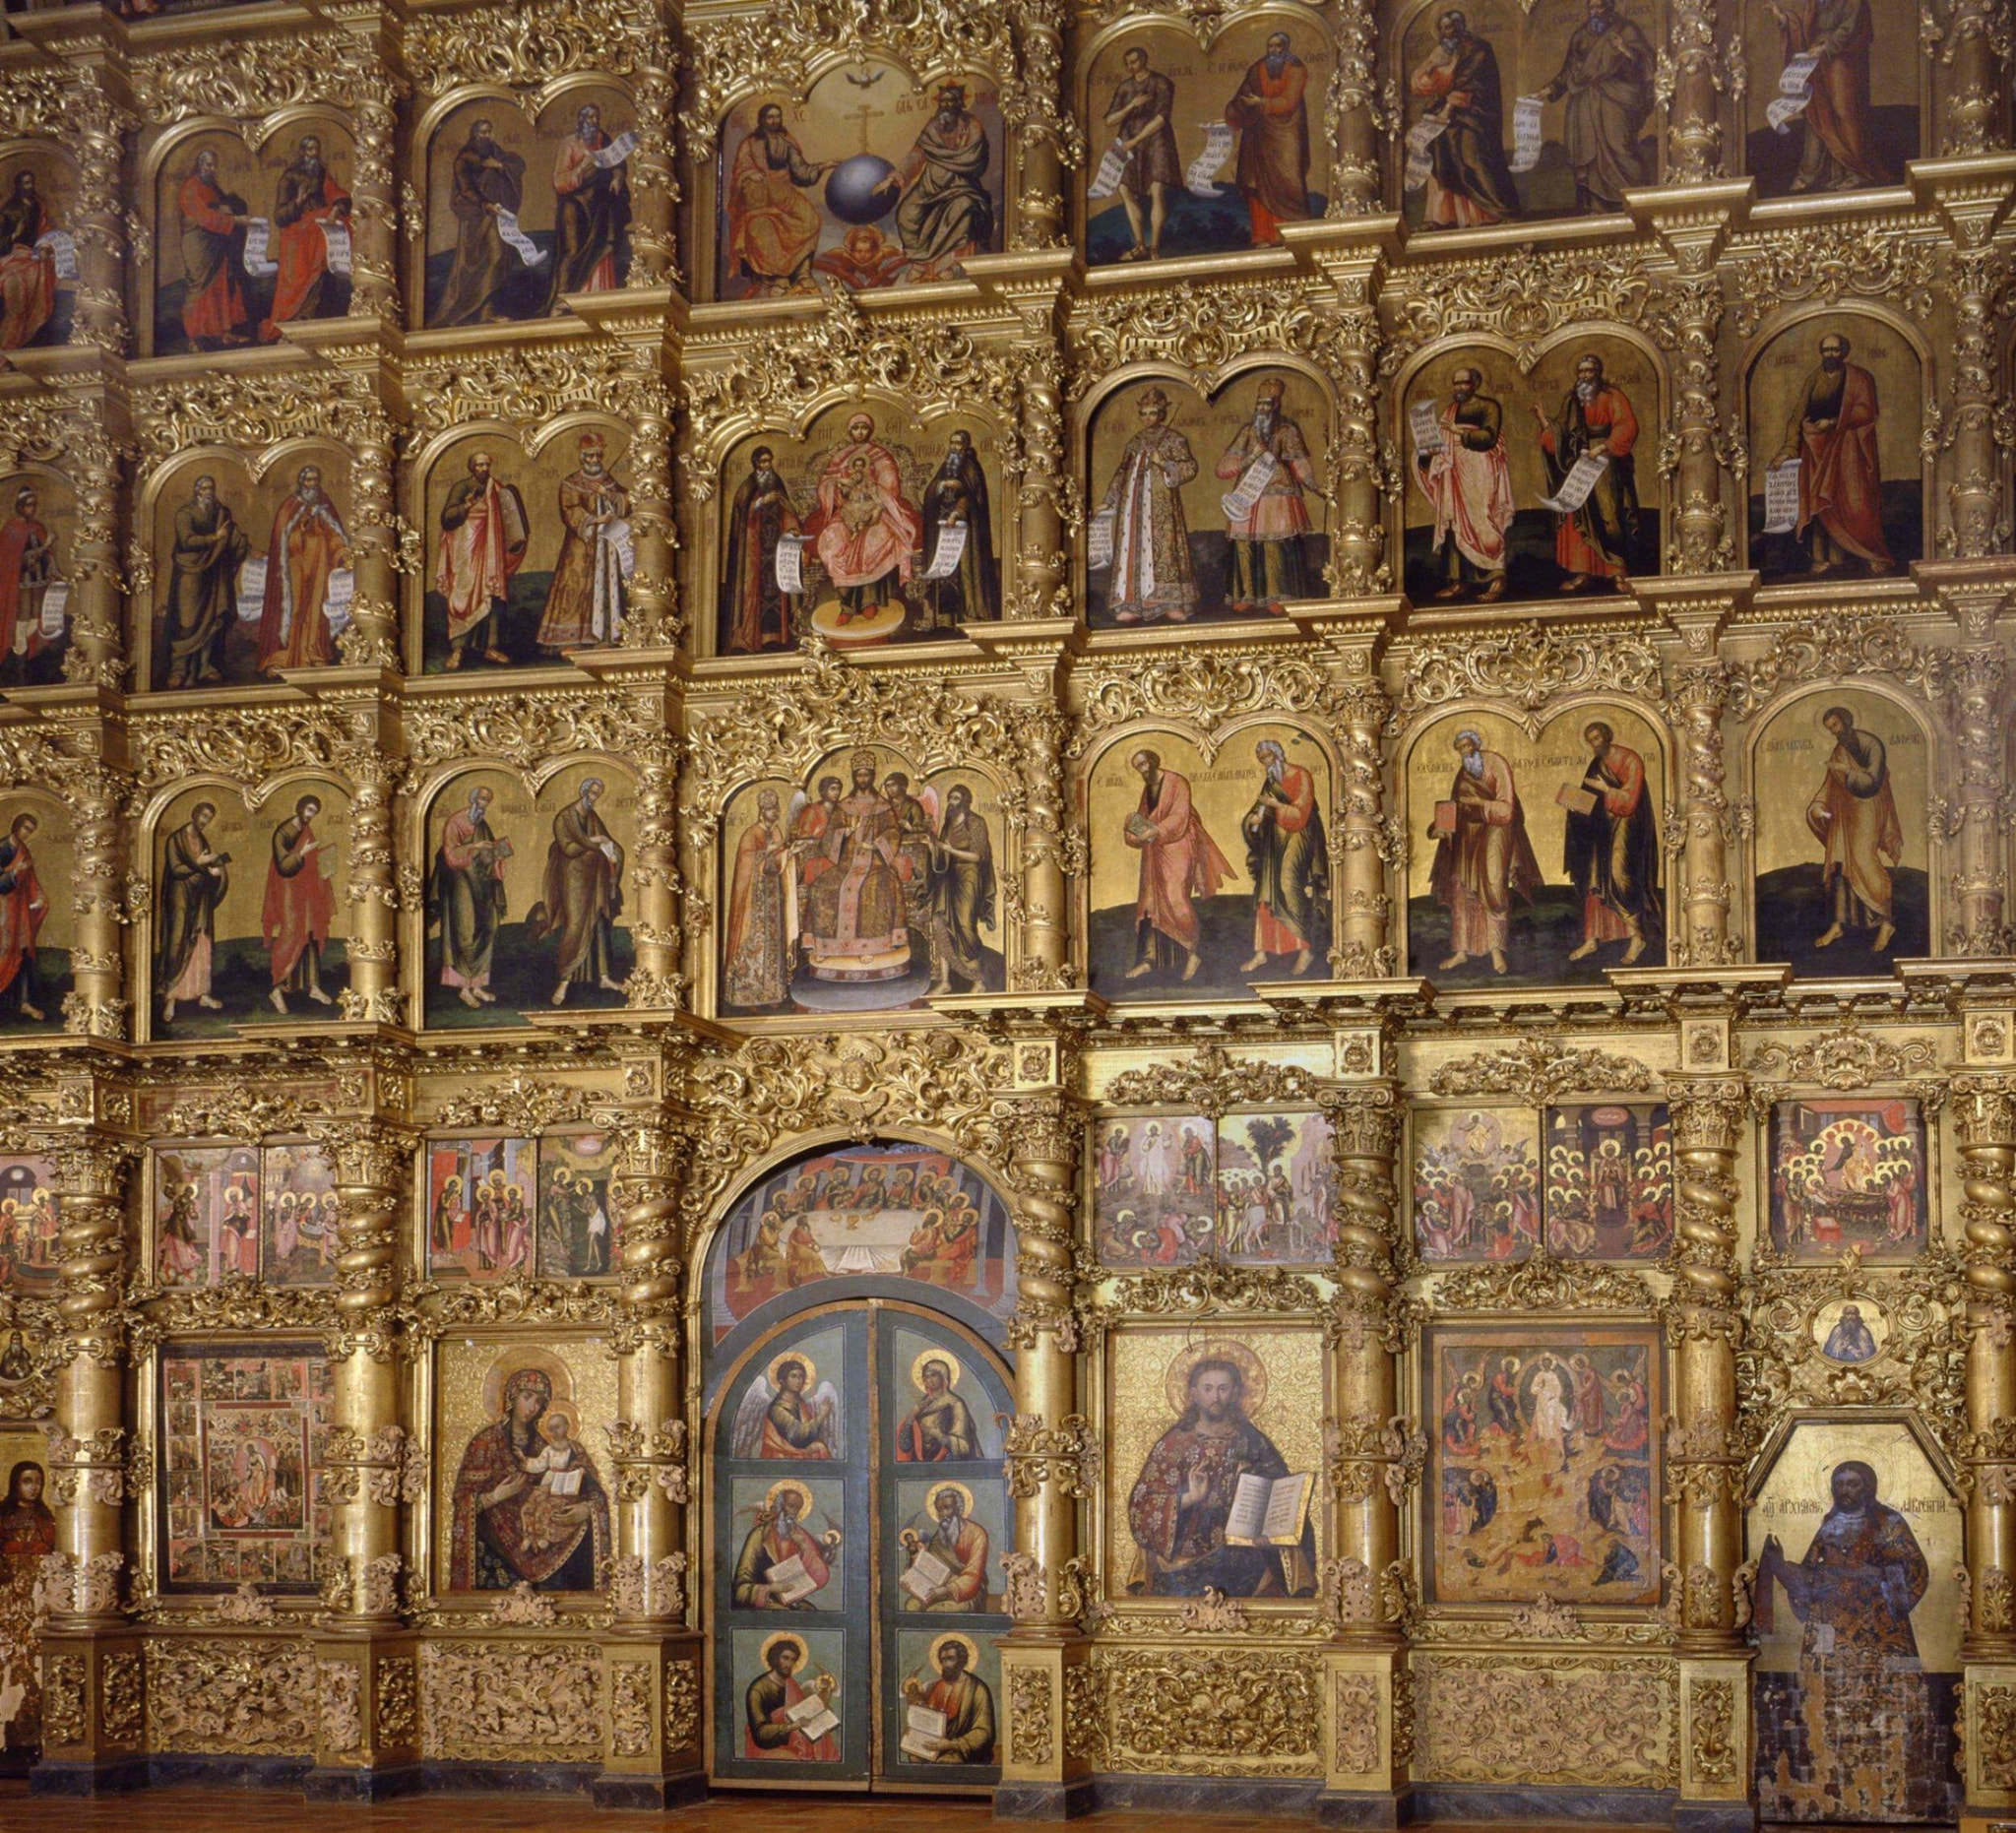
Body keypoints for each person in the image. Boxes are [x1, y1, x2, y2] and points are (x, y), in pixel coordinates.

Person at [1126, 1355, 1314, 1596]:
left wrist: (1270, 1530)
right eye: (1208, 1389)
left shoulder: (1252, 1440)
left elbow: (1283, 1494)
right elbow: (1142, 1505)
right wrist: (1189, 1498)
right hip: (1183, 1558)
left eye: (1223, 1389)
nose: (1215, 1397)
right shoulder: (1174, 1443)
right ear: (1194, 1394)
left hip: (1245, 1553)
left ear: (1235, 1393)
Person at [448, 1364, 608, 1591]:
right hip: (496, 1547)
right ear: (512, 1397)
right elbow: (462, 1501)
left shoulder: (546, 1446)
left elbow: (591, 1489)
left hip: (547, 1537)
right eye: (527, 1397)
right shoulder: (485, 1443)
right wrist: (496, 1496)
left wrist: (587, 1509)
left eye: (539, 1402)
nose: (533, 1406)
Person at [1759, 1459, 1926, 1662]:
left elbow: (1915, 1569)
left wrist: (1876, 1573)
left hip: (1879, 1627)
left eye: (1852, 1484)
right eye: (1839, 1484)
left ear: (1867, 1487)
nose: (1844, 1490)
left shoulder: (1889, 1522)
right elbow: (1810, 1576)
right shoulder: (1830, 1525)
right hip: (1831, 1625)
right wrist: (1781, 1566)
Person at [1773, 332, 1892, 577]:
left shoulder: (1859, 378)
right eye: (1826, 350)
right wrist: (1788, 450)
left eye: (1835, 350)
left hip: (1848, 449)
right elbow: (1798, 414)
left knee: (1854, 502)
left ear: (1844, 352)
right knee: (1819, 502)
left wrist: (1834, 422)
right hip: (1815, 448)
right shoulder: (1813, 378)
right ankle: (1823, 558)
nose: (1830, 355)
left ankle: (1870, 554)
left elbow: (1867, 411)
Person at [1427, 728, 1542, 976]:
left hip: (1497, 827)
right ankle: (1461, 950)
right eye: (1460, 749)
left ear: (1477, 744)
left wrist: (1479, 803)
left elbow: (1507, 808)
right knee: (1462, 889)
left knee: (1493, 884)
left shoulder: (1496, 764)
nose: (1465, 752)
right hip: (1467, 832)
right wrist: (1440, 828)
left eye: (1468, 746)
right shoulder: (1463, 772)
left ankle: (1496, 949)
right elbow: (1454, 806)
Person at [1533, 0, 1656, 216]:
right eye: (1592, 8)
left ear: (1610, 7)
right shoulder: (1580, 36)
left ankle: (1638, 204)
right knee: (1589, 156)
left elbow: (1646, 63)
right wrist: (1550, 89)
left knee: (1621, 148)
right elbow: (1568, 71)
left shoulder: (1625, 30)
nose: (1596, 12)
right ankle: (1595, 208)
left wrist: (1625, 49)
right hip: (1584, 103)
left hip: (1616, 101)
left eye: (1600, 7)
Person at [794, 751, 909, 980]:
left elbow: (894, 832)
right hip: (846, 865)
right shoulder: (844, 805)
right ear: (855, 777)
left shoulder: (882, 806)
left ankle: (870, 947)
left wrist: (875, 844)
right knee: (821, 887)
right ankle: (826, 947)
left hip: (875, 865)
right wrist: (845, 832)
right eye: (859, 775)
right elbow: (829, 836)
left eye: (867, 774)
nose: (863, 779)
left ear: (872, 776)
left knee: (875, 888)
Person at [1124, 747, 1233, 984]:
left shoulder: (1176, 781)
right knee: (1150, 901)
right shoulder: (1148, 789)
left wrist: (1155, 830)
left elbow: (1180, 816)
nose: (1142, 770)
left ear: (1153, 761)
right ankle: (1149, 959)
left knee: (1176, 896)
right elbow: (1144, 818)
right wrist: (1133, 831)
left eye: (1143, 764)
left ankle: (1193, 953)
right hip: (1155, 849)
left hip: (1179, 843)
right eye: (1137, 767)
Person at [1535, 351, 1640, 591]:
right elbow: (1560, 433)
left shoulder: (1612, 396)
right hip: (1579, 460)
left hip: (1605, 458)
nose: (1585, 376)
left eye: (1589, 371)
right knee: (1579, 516)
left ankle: (1618, 571)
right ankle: (1584, 572)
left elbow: (1627, 425)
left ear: (1598, 372)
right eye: (1581, 372)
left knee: (1608, 514)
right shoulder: (1572, 400)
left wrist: (1602, 448)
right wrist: (1543, 420)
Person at [1409, 12, 1523, 228]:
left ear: (1462, 26)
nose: (1448, 32)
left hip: (1474, 114)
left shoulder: (1477, 50)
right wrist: (1431, 66)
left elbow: (1468, 84)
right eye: (1444, 28)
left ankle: (1497, 211)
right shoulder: (1441, 52)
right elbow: (1419, 86)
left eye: (1452, 26)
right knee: (1437, 156)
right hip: (1446, 112)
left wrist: (1447, 110)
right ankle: (1444, 217)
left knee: (1471, 156)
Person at [804, 414, 920, 625]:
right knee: (833, 541)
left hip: (876, 509)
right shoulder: (840, 457)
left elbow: (889, 488)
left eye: (864, 428)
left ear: (870, 430)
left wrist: (874, 508)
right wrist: (838, 486)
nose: (860, 432)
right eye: (856, 428)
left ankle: (868, 602)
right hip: (846, 511)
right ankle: (846, 605)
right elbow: (826, 485)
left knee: (874, 540)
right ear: (850, 431)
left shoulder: (880, 455)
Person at [1214, 377, 1317, 612]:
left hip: (1278, 493)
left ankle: (1276, 596)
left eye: (1267, 403)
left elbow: (1299, 464)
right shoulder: (1248, 431)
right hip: (1249, 491)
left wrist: (1316, 487)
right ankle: (1246, 594)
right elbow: (1223, 467)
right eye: (1259, 403)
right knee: (1243, 543)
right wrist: (1251, 457)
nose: (1262, 408)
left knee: (1275, 543)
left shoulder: (1288, 430)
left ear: (1276, 404)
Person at [1806, 704, 1903, 953]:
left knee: (1863, 859)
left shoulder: (1871, 744)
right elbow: (1829, 785)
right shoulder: (1839, 749)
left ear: (1846, 721)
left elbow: (1872, 782)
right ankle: (1838, 924)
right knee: (1839, 863)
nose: (1834, 731)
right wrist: (1818, 806)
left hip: (1868, 807)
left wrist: (1846, 771)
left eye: (1835, 725)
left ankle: (1886, 922)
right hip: (1843, 812)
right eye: (1830, 728)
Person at [1098, 386, 1199, 624]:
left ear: (1162, 414)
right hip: (1133, 505)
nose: (1147, 418)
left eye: (1152, 413)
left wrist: (1163, 462)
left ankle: (1170, 604)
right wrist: (1108, 501)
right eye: (1144, 413)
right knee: (1133, 549)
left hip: (1161, 505)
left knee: (1164, 550)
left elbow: (1189, 467)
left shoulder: (1174, 439)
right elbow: (1122, 473)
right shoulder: (1135, 442)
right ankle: (1132, 603)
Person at [1563, 720, 1661, 965]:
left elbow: (1630, 801)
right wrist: (1574, 804)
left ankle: (1637, 936)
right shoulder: (1595, 764)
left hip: (1628, 824)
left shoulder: (1630, 760)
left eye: (1597, 738)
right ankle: (1592, 938)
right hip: (1602, 828)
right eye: (1590, 741)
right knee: (1593, 877)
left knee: (1620, 875)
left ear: (1607, 736)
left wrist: (1606, 789)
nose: (1594, 744)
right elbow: (1589, 799)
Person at [1767, 0, 1888, 192]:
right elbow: (1806, 25)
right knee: (1817, 111)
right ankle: (1817, 173)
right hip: (1818, 60)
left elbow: (1852, 27)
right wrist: (1784, 20)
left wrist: (1826, 47)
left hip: (1843, 61)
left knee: (1843, 112)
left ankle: (1855, 171)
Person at [1416, 367, 1513, 601]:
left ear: (1475, 384)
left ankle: (1496, 577)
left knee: (1482, 518)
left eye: (1464, 383)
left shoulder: (1488, 406)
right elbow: (1439, 442)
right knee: (1454, 522)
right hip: (1453, 470)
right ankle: (1458, 581)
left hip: (1479, 468)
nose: (1459, 388)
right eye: (1456, 383)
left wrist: (1457, 432)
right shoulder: (1451, 410)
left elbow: (1489, 438)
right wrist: (1427, 452)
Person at [879, 84, 993, 281]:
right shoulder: (933, 127)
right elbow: (917, 155)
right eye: (943, 102)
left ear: (960, 103)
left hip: (960, 186)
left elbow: (975, 157)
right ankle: (920, 264)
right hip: (929, 186)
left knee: (963, 209)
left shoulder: (972, 125)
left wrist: (955, 162)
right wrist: (895, 176)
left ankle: (948, 264)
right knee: (907, 212)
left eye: (951, 101)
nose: (947, 105)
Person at [724, 103, 832, 296]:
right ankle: (777, 277)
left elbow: (800, 170)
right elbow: (740, 169)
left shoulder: (786, 141)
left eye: (777, 117)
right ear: (762, 120)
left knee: (811, 219)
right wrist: (750, 174)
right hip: (760, 198)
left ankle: (802, 272)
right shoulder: (750, 144)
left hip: (785, 194)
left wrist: (823, 166)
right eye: (770, 117)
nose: (774, 121)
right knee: (762, 226)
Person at [535, 776, 625, 1006]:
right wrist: (595, 841)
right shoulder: (564, 818)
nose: (594, 798)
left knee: (599, 921)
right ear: (583, 791)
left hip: (595, 877)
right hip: (572, 877)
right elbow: (568, 848)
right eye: (592, 793)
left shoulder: (592, 816)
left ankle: (604, 977)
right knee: (575, 924)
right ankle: (564, 980)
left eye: (597, 795)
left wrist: (613, 851)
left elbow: (608, 842)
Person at [1239, 737, 1327, 976]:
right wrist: (1253, 820)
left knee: (1289, 884)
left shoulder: (1301, 774)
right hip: (1274, 839)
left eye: (1268, 757)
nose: (1266, 762)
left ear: (1278, 754)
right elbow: (1260, 809)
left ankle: (1305, 949)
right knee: (1265, 890)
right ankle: (1262, 952)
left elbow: (1302, 811)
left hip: (1300, 834)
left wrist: (1276, 805)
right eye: (1262, 759)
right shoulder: (1271, 780)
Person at [434, 451, 529, 669]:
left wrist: (515, 539)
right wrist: (465, 507)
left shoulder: (496, 488)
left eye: (487, 465)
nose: (484, 469)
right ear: (472, 467)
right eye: (480, 465)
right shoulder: (462, 487)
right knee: (463, 594)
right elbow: (447, 518)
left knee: (492, 593)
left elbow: (509, 517)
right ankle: (458, 649)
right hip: (466, 545)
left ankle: (491, 647)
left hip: (492, 547)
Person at [535, 433, 628, 652]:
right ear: (582, 457)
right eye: (590, 456)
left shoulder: (608, 481)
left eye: (598, 456)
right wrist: (595, 520)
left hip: (605, 547)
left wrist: (608, 494)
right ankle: (569, 640)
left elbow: (626, 501)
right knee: (574, 587)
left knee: (604, 588)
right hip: (580, 546)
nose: (594, 460)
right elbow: (570, 510)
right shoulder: (571, 483)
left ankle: (604, 637)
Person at [256, 464, 350, 672]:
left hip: (319, 564)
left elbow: (335, 535)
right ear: (301, 482)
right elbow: (282, 539)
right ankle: (286, 656)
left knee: (315, 608)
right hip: (294, 566)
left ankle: (313, 652)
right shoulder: (290, 506)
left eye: (315, 480)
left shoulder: (324, 505)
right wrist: (302, 526)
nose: (312, 484)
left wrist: (344, 553)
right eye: (308, 480)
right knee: (295, 607)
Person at [434, 117, 528, 327]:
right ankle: (474, 312)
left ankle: (488, 310)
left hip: (497, 215)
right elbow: (466, 189)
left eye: (489, 132)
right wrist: (486, 204)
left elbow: (518, 164)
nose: (487, 136)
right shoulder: (465, 159)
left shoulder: (494, 151)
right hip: (477, 217)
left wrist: (499, 165)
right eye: (482, 132)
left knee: (502, 258)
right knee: (484, 261)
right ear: (474, 135)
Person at [162, 474, 250, 688]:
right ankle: (179, 669)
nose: (208, 493)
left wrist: (245, 547)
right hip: (190, 573)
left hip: (215, 574)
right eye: (203, 489)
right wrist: (214, 538)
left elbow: (232, 535)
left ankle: (206, 666)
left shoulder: (220, 513)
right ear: (196, 491)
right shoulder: (184, 514)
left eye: (210, 488)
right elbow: (187, 541)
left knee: (213, 620)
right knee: (187, 622)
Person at [260, 134, 350, 340]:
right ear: (302, 152)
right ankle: (293, 322)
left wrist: (336, 208)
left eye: (316, 149)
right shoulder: (289, 177)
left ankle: (313, 318)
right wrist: (298, 202)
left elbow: (336, 193)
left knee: (320, 273)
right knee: (297, 281)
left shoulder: (321, 173)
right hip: (296, 235)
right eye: (309, 149)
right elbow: (280, 216)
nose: (314, 153)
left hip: (317, 231)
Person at [1223, 32, 1310, 244]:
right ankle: (1262, 235)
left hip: (1287, 135)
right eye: (1271, 46)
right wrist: (1235, 111)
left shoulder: (1297, 69)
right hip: (1258, 134)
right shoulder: (1257, 69)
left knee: (1288, 182)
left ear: (1286, 48)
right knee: (1256, 184)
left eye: (1278, 46)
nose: (1274, 50)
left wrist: (1261, 103)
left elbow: (1289, 101)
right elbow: (1243, 96)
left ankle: (1290, 235)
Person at [541, 101, 629, 308]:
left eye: (596, 118)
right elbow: (559, 181)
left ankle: (599, 294)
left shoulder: (603, 140)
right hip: (575, 206)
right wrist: (582, 166)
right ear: (581, 121)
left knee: (602, 249)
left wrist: (618, 177)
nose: (594, 122)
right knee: (572, 252)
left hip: (600, 207)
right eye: (590, 118)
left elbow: (617, 163)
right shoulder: (569, 144)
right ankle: (562, 300)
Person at [430, 782, 509, 1009]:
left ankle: (477, 985)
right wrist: (474, 847)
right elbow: (450, 854)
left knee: (488, 927)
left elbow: (488, 855)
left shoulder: (482, 824)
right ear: (473, 799)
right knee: (465, 931)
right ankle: (463, 988)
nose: (483, 804)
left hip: (481, 883)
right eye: (482, 799)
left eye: (487, 801)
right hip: (460, 881)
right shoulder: (455, 821)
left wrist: (497, 854)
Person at [1101, 45, 1182, 261]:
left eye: (1134, 62)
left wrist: (1135, 141)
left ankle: (1154, 247)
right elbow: (1109, 120)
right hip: (1128, 140)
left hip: (1156, 139)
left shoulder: (1161, 82)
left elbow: (1161, 118)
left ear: (1144, 60)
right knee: (1125, 189)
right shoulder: (1125, 87)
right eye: (1127, 63)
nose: (1131, 67)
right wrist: (1131, 106)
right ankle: (1139, 245)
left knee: (1157, 189)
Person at [721, 447, 802, 653]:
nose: (767, 465)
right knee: (751, 589)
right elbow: (741, 512)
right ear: (756, 463)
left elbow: (786, 508)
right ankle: (749, 637)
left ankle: (776, 637)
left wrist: (793, 528)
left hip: (775, 548)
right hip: (752, 545)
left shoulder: (776, 482)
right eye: (763, 461)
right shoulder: (748, 486)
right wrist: (760, 503)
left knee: (778, 587)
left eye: (769, 461)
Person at [261, 792, 335, 1016]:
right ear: (301, 808)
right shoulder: (284, 831)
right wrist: (302, 852)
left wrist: (324, 860)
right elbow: (283, 865)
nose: (311, 815)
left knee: (309, 932)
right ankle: (277, 987)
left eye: (314, 812)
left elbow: (310, 859)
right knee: (291, 932)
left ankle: (312, 985)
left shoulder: (305, 829)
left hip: (304, 889)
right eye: (309, 810)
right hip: (287, 889)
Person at [916, 430, 997, 632]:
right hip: (943, 529)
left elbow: (973, 496)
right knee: (945, 571)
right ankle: (944, 619)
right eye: (952, 443)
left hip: (965, 530)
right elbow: (930, 492)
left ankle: (970, 615)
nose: (954, 447)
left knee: (965, 571)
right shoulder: (946, 467)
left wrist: (957, 512)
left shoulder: (970, 466)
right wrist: (943, 484)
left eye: (958, 444)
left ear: (966, 445)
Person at [157, 800, 229, 1024]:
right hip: (180, 896)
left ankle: (203, 993)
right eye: (204, 816)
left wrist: (216, 871)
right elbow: (176, 868)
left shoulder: (202, 839)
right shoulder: (176, 839)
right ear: (195, 813)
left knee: (201, 940)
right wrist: (200, 862)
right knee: (178, 941)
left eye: (209, 818)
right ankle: (171, 997)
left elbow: (203, 870)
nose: (205, 821)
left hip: (200, 898)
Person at [176, 147, 252, 348]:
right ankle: (195, 337)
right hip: (199, 245)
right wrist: (235, 220)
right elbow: (205, 217)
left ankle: (223, 332)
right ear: (200, 165)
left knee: (220, 287)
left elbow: (220, 207)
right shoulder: (191, 188)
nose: (212, 169)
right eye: (209, 165)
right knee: (200, 288)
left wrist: (232, 210)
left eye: (214, 166)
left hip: (216, 243)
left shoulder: (212, 187)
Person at [724, 788, 791, 1009]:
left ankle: (773, 993)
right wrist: (767, 852)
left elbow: (780, 860)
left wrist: (788, 853)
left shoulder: (777, 831)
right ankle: (748, 996)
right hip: (753, 901)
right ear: (762, 810)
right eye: (771, 809)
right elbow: (745, 861)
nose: (776, 812)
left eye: (777, 808)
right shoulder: (751, 833)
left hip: (774, 898)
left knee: (774, 944)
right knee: (754, 944)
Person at [925, 784, 994, 993]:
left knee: (965, 926)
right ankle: (945, 981)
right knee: (940, 922)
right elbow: (942, 856)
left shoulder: (976, 822)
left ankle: (978, 980)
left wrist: (949, 849)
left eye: (956, 799)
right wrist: (933, 847)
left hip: (969, 876)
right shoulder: (948, 824)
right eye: (950, 798)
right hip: (949, 877)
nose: (952, 803)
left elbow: (978, 856)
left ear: (965, 801)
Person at [732, 1484, 833, 1609]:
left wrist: (803, 1546)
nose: (793, 1513)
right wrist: (769, 1588)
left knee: (810, 1610)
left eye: (797, 1509)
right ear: (779, 1506)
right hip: (764, 1599)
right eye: (790, 1506)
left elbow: (821, 1575)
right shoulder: (759, 1536)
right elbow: (740, 1589)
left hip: (790, 1601)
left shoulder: (799, 1535)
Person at [744, 1636, 839, 1761]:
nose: (789, 1664)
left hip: (793, 1739)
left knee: (823, 1740)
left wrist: (824, 1694)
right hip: (767, 1745)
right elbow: (760, 1733)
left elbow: (804, 1710)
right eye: (785, 1658)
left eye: (793, 1660)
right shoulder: (758, 1688)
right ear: (775, 1658)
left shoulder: (790, 1683)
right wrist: (793, 1726)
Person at [904, 1638, 995, 1765]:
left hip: (961, 1750)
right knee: (914, 1759)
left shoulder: (977, 1689)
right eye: (943, 1660)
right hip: (933, 1746)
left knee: (946, 1762)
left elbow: (984, 1732)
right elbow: (922, 1718)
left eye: (950, 1659)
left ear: (962, 1661)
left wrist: (952, 1744)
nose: (946, 1664)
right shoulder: (932, 1686)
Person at [901, 1484, 988, 1611]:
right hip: (938, 1588)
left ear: (958, 1509)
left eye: (947, 1508)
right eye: (940, 1509)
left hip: (967, 1593)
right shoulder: (940, 1535)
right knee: (911, 1606)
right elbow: (930, 1567)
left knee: (936, 1611)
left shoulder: (977, 1533)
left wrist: (947, 1589)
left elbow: (974, 1575)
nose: (943, 1514)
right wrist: (911, 1579)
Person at [0, 485, 55, 676]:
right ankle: (18, 658)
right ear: (21, 506)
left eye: (34, 505)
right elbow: (12, 558)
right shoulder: (11, 528)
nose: (32, 508)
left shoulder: (37, 527)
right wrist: (43, 547)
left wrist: (48, 558)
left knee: (35, 617)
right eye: (29, 505)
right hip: (20, 581)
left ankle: (24, 652)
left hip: (38, 581)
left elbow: (45, 554)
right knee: (22, 617)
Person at [0, 170, 57, 350]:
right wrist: (14, 235)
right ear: (18, 186)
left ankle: (26, 334)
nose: (29, 187)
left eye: (31, 182)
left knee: (38, 283)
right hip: (14, 255)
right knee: (16, 294)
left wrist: (45, 246)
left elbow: (45, 230)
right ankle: (8, 343)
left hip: (33, 255)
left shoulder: (38, 206)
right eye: (25, 183)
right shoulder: (8, 210)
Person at [0, 811, 45, 1023]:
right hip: (3, 908)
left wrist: (40, 897)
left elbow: (31, 881)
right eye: (26, 828)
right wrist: (14, 871)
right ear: (17, 825)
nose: (27, 833)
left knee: (24, 951)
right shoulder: (3, 848)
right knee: (5, 951)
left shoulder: (23, 849)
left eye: (31, 830)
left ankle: (25, 1002)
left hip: (19, 908)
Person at [895, 1358, 979, 1462]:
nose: (929, 1380)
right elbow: (905, 1445)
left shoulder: (955, 1403)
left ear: (943, 1376)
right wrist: (912, 1415)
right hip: (919, 1464)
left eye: (933, 1375)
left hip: (946, 1463)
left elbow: (963, 1447)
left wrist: (936, 1434)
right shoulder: (921, 1406)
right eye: (926, 1377)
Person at [761, 1357, 835, 1458]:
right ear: (782, 1380)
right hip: (782, 1458)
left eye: (801, 1377)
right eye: (793, 1376)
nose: (798, 1381)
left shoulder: (801, 1404)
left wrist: (817, 1445)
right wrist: (822, 1415)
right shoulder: (777, 1409)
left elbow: (810, 1437)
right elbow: (797, 1436)